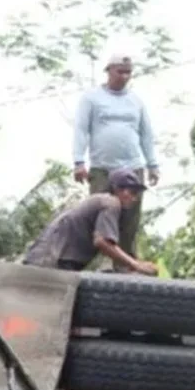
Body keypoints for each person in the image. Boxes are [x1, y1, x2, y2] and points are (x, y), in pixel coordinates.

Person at [73, 53, 159, 258]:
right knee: (102, 214)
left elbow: (146, 134)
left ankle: (127, 263)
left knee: (130, 217)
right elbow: (81, 130)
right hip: (103, 168)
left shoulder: (136, 101)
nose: (124, 76)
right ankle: (102, 262)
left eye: (128, 72)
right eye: (120, 71)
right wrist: (78, 161)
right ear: (109, 71)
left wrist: (152, 164)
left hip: (132, 167)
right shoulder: (92, 98)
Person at [22, 169, 157, 275]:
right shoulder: (111, 202)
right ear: (117, 189)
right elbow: (102, 242)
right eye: (132, 192)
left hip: (42, 257)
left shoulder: (96, 200)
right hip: (52, 261)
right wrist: (135, 264)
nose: (134, 198)